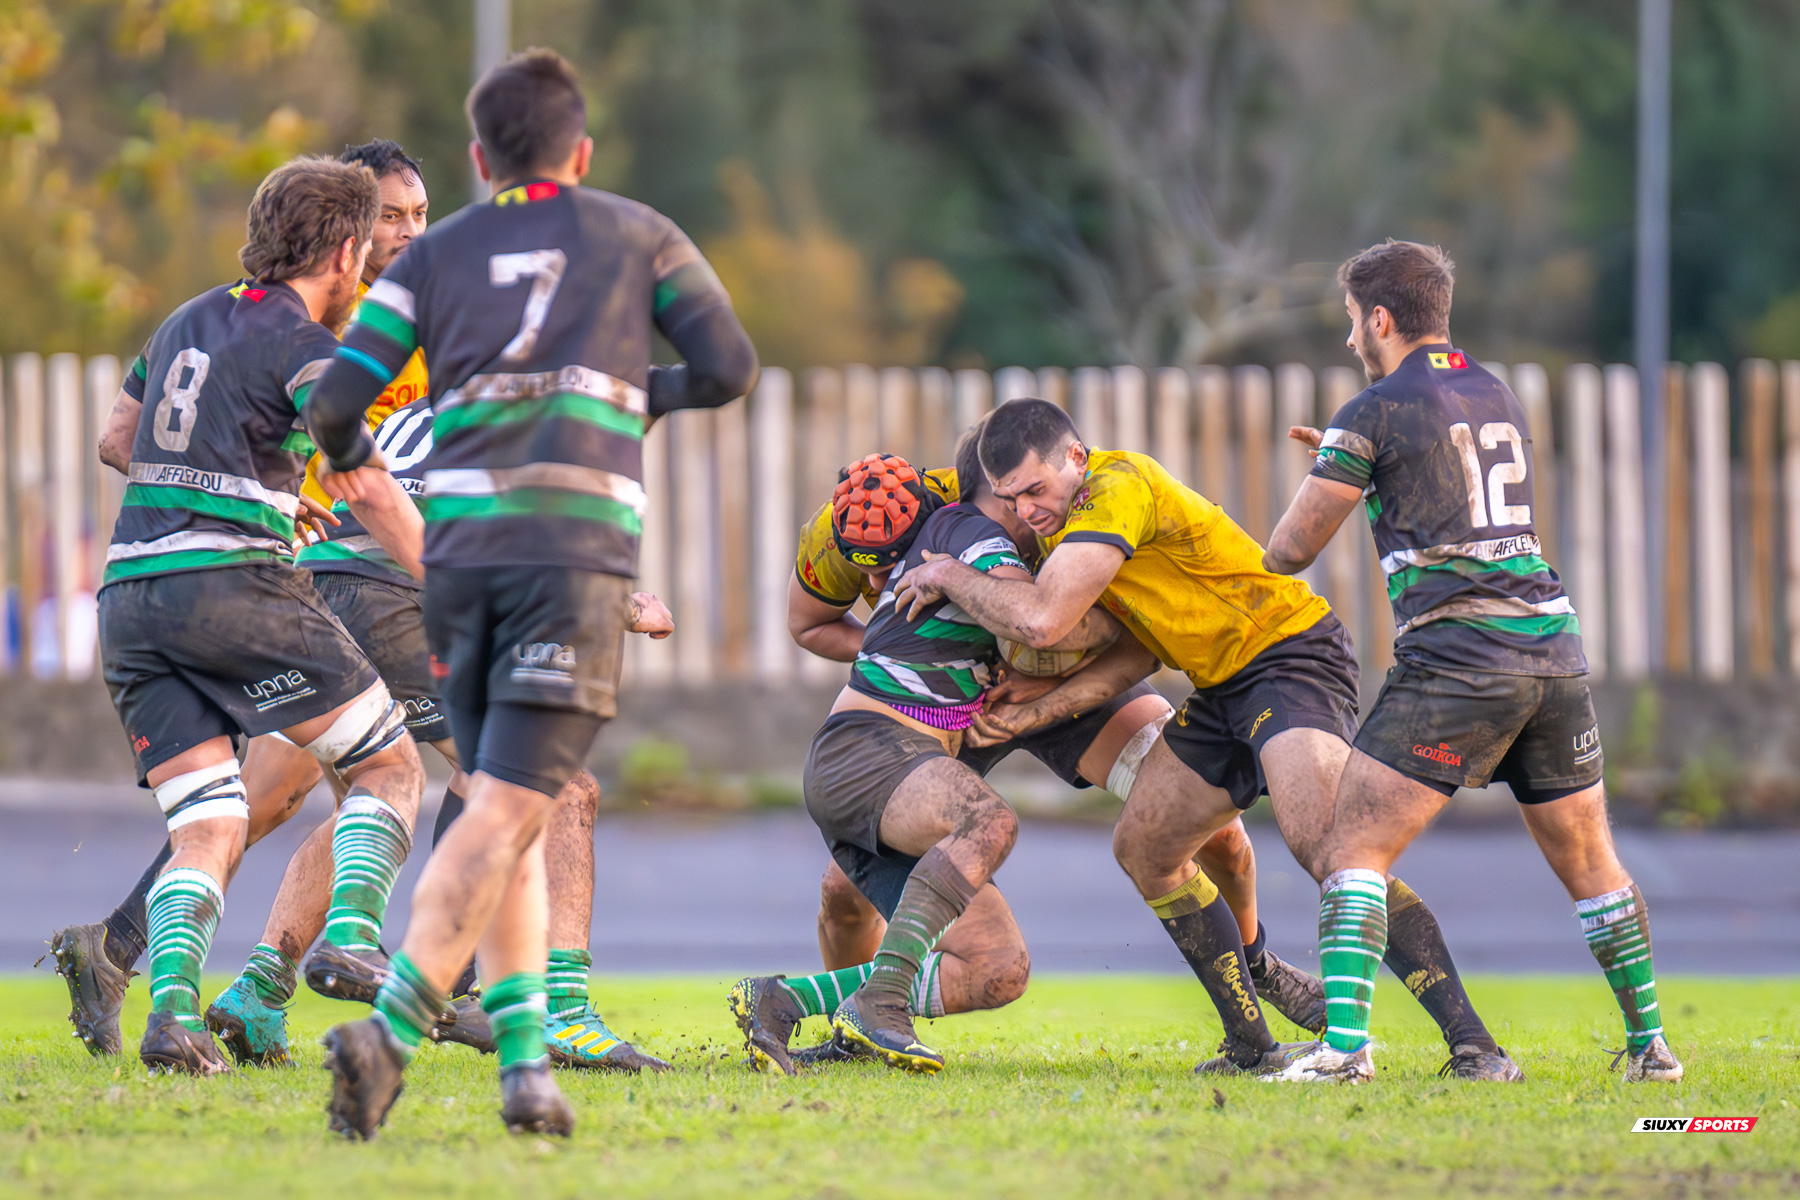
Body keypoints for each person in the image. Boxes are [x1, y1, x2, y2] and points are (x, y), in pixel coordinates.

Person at [50, 141, 664, 1077]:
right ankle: (529, 1000)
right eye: (390, 217)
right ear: (341, 239)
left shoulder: (198, 317)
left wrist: (235, 486)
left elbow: (123, 436)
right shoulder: (334, 338)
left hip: (148, 590)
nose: (410, 235)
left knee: (261, 800)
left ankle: (192, 984)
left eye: (422, 217)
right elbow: (389, 483)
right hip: (331, 581)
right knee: (495, 775)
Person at [303, 49, 757, 1138]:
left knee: (513, 799)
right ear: (582, 151)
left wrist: (395, 449)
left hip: (455, 566)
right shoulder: (639, 232)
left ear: (478, 158)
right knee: (510, 804)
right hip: (569, 552)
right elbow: (731, 365)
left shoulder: (433, 255)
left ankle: (524, 1070)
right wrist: (641, 394)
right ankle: (394, 1028)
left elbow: (333, 405)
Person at [893, 399, 1520, 1080]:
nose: (1027, 511)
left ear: (1076, 457)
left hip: (1288, 658)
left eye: (1036, 491)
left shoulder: (1117, 487)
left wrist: (946, 573)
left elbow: (1042, 624)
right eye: (1012, 498)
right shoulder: (1064, 521)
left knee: (1331, 847)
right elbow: (1140, 652)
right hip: (1221, 686)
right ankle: (1251, 1044)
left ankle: (1476, 1047)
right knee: (1145, 848)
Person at [1261, 240, 1680, 1084]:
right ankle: (1652, 1051)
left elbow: (1287, 551)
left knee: (1352, 851)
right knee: (1593, 866)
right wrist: (1359, 463)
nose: (1350, 341)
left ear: (1380, 318)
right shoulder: (1494, 392)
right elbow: (1443, 487)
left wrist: (1337, 460)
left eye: (1352, 323)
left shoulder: (1373, 409)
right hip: (1552, 655)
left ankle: (1343, 1052)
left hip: (1458, 660)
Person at [780, 443, 1325, 1062]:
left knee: (1200, 819)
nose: (876, 583)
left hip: (1061, 674)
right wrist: (918, 659)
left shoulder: (1041, 509)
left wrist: (1042, 680)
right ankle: (863, 1030)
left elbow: (1118, 627)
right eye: (865, 572)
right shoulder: (840, 526)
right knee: (845, 886)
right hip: (946, 704)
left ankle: (1253, 964)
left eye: (890, 565)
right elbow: (808, 624)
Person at [91, 156, 427, 1075]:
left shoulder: (180, 321)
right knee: (390, 767)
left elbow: (118, 440)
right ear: (349, 252)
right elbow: (363, 480)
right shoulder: (311, 347)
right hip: (233, 589)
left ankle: (171, 1021)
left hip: (129, 601)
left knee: (208, 818)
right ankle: (352, 939)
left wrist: (255, 491)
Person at [733, 448, 1119, 1075]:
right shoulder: (963, 533)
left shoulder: (949, 530)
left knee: (999, 970)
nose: (1038, 512)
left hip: (893, 763)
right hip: (869, 750)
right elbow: (1045, 625)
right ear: (997, 493)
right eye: (1025, 497)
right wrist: (1135, 618)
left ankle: (784, 1000)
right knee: (989, 822)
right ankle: (881, 1005)